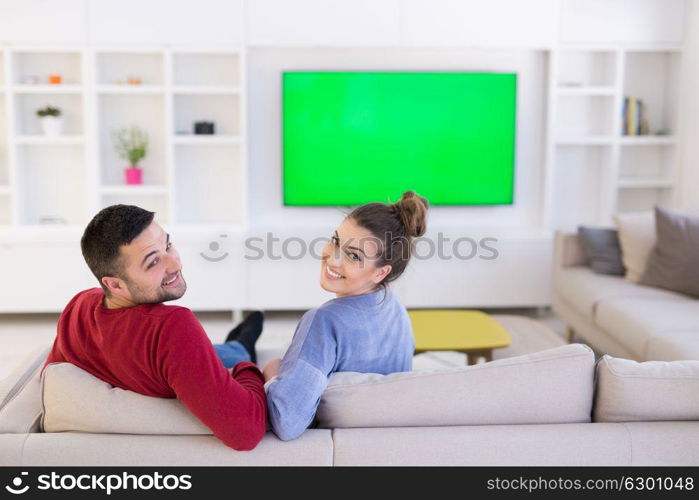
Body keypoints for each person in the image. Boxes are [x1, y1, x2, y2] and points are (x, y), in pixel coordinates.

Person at [42, 205, 267, 451]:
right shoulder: (172, 328)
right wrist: (250, 370)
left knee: (217, 351)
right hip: (174, 363)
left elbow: (52, 374)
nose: (175, 263)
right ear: (115, 285)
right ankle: (243, 347)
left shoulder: (80, 304)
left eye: (168, 245)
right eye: (154, 261)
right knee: (236, 356)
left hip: (160, 365)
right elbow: (247, 433)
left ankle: (237, 342)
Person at [260, 190, 428, 441]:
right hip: (384, 439)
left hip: (336, 437)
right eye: (336, 241)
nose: (333, 259)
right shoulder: (397, 310)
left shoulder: (324, 321)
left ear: (380, 273)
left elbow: (287, 422)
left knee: (262, 361)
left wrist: (271, 372)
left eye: (353, 256)